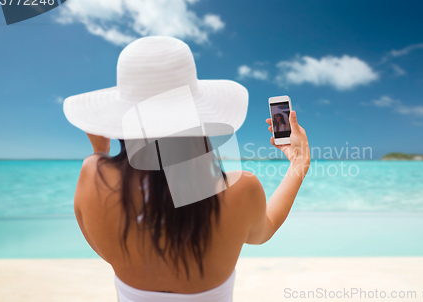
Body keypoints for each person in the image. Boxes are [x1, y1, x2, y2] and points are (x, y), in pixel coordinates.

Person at [64, 36, 310, 301]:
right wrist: (299, 163)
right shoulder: (240, 189)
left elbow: (103, 244)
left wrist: (99, 152)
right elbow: (265, 229)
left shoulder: (92, 177)